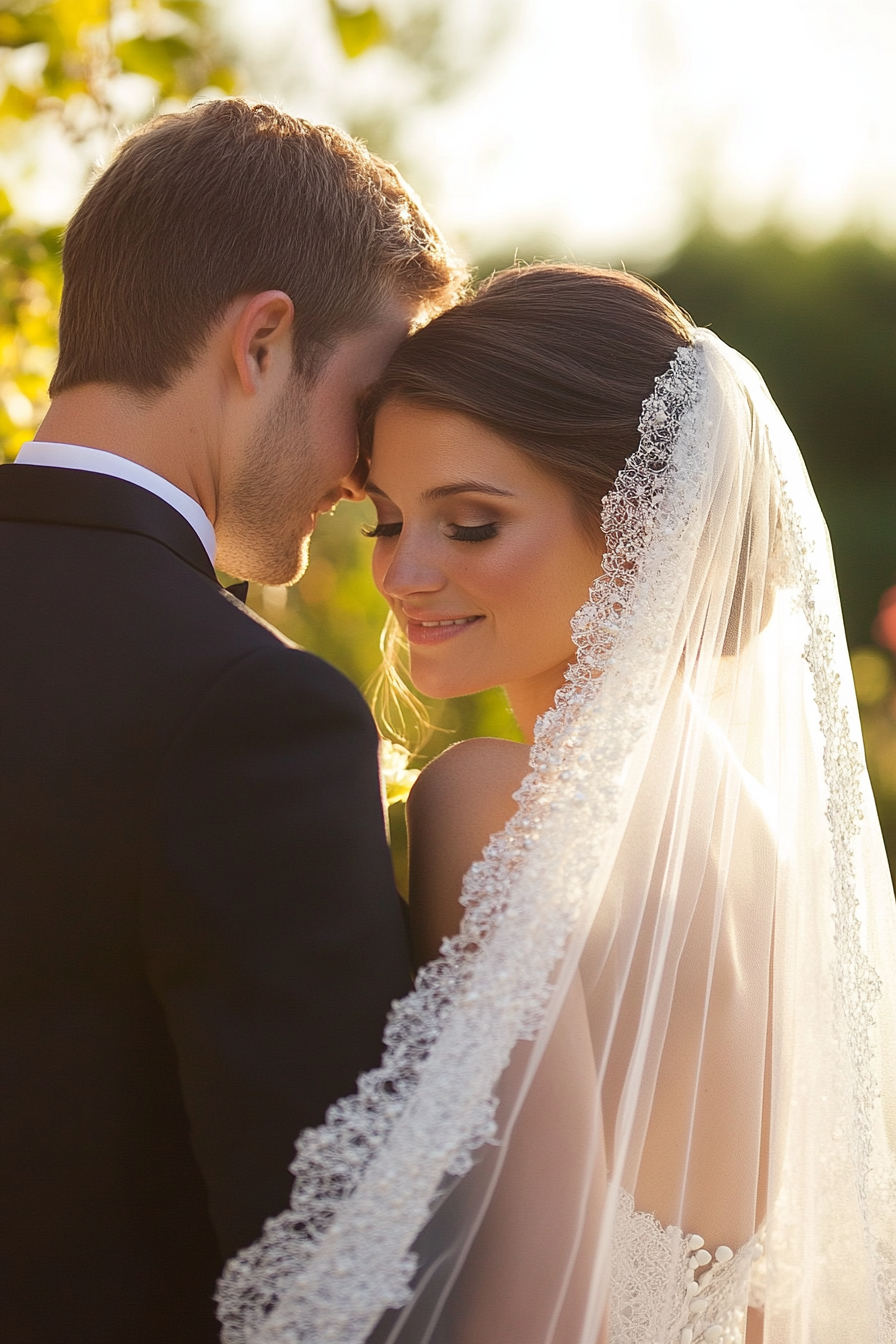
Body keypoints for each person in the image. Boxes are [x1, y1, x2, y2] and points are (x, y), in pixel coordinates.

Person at [219, 266, 896, 1344]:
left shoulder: (490, 804)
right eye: (387, 522)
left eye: (472, 524)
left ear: (637, 532)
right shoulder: (761, 840)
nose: (402, 575)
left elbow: (532, 1279)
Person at [0, 98, 465, 1343]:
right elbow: (332, 1267)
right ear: (261, 341)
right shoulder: (250, 714)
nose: (366, 475)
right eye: (365, 408)